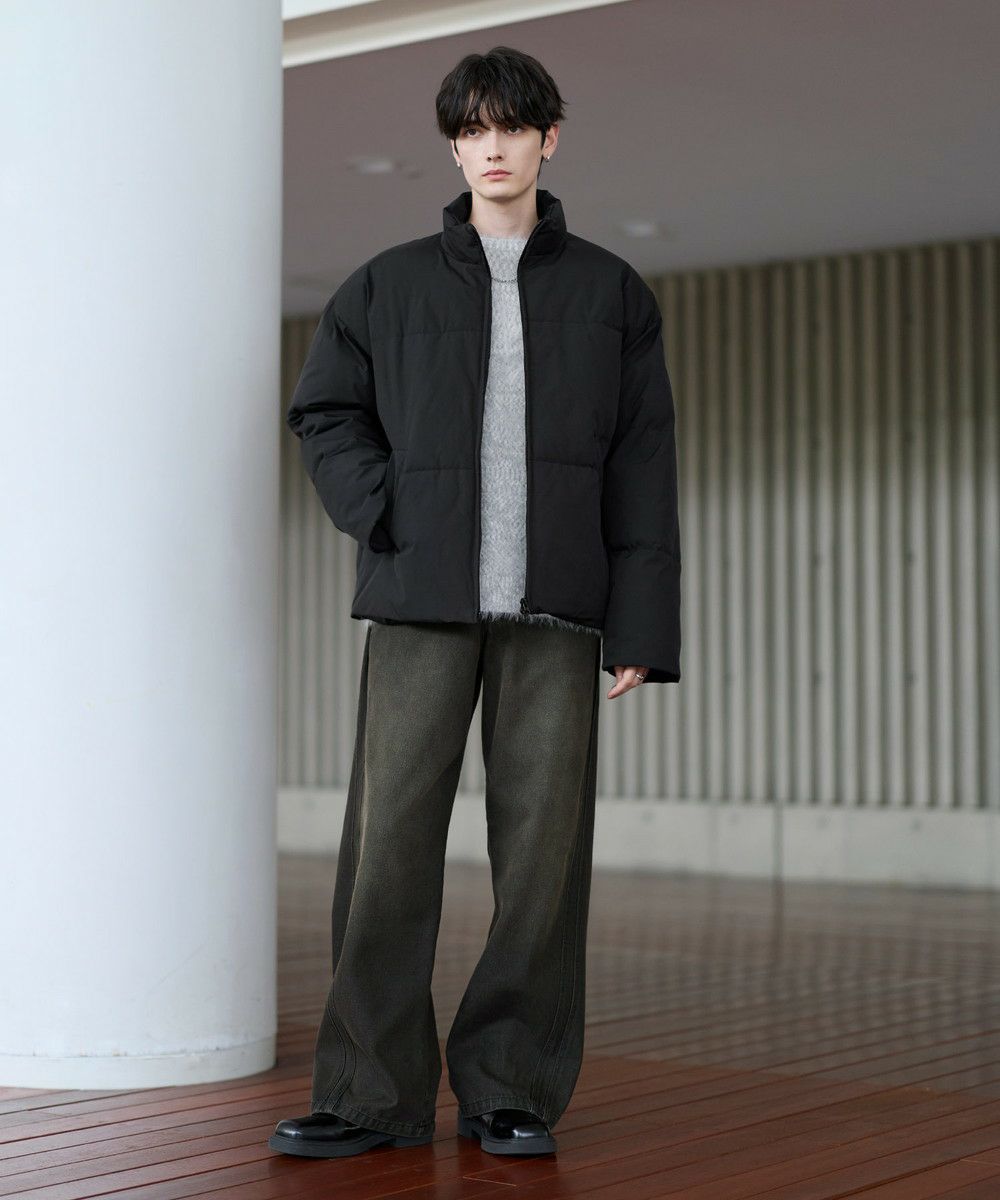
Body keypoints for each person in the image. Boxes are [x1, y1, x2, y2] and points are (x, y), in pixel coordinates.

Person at [268, 45, 681, 1160]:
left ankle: (511, 1086)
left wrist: (642, 624)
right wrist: (385, 509)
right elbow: (324, 413)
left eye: (511, 127)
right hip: (421, 603)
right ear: (454, 147)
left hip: (557, 612)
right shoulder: (387, 285)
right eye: (472, 130)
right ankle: (368, 1093)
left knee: (542, 858)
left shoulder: (610, 293)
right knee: (387, 851)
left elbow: (643, 464)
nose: (492, 147)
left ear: (550, 138)